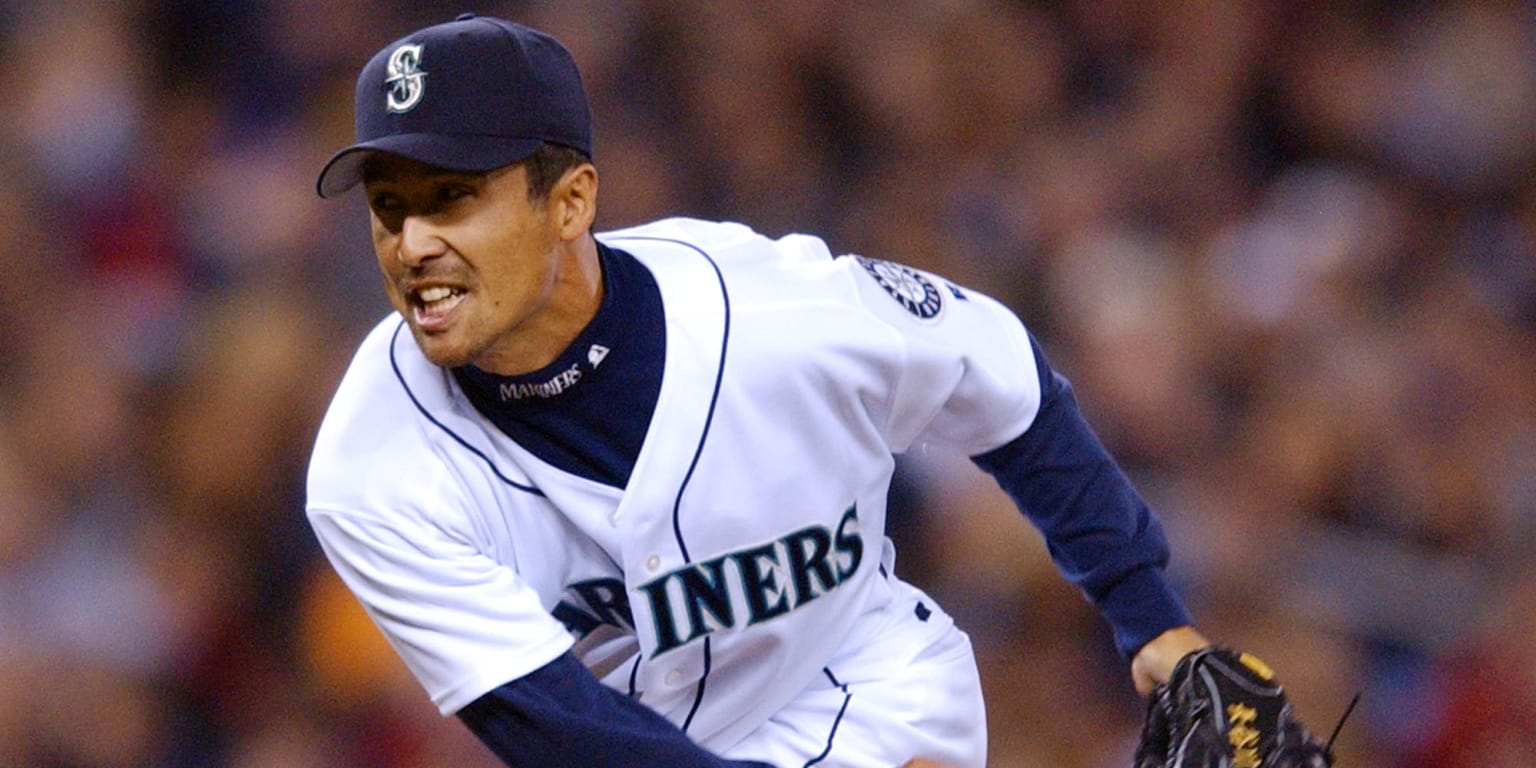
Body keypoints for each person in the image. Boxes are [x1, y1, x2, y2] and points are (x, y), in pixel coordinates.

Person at [306, 13, 1210, 768]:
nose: (412, 242)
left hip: (864, 694)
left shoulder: (779, 313)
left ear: (570, 201)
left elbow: (1005, 381)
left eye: (453, 197)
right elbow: (556, 728)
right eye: (390, 207)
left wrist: (1150, 619)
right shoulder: (372, 465)